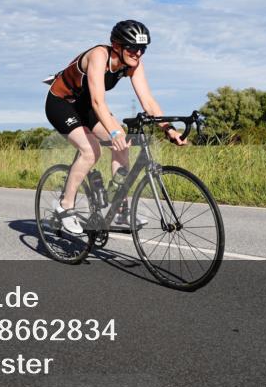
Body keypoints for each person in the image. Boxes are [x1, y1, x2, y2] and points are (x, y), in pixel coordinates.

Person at [44, 20, 187, 234]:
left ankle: (120, 210)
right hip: (62, 103)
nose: (138, 53)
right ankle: (65, 206)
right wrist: (113, 131)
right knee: (91, 150)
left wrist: (169, 129)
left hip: (86, 106)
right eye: (132, 47)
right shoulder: (98, 56)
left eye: (143, 49)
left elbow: (148, 101)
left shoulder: (133, 65)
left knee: (123, 145)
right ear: (117, 45)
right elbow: (98, 102)